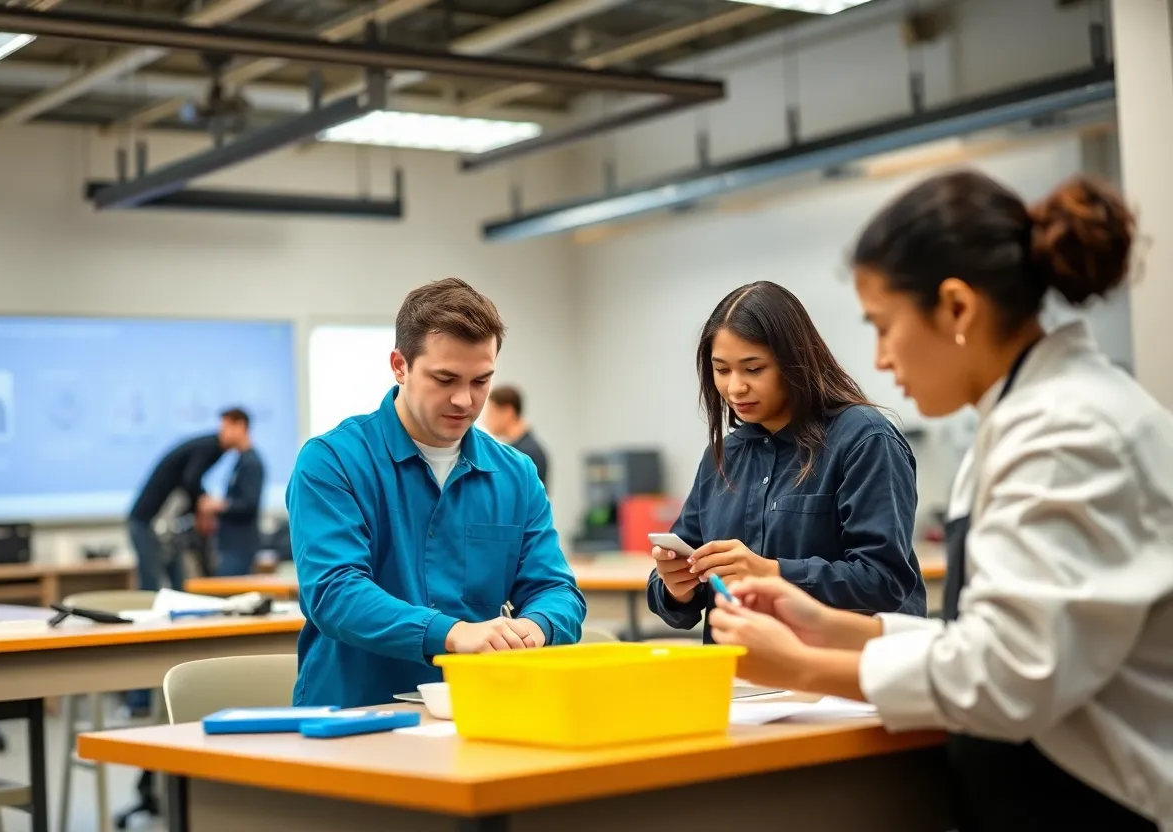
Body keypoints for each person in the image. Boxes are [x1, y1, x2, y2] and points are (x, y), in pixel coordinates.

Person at [709, 171, 1171, 830]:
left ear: (957, 309)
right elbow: (999, 635)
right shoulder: (1028, 418)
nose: (881, 358)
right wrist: (838, 627)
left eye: (885, 326)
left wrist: (807, 667)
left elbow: (1010, 674)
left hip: (1096, 800)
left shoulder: (1068, 433)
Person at [286, 277, 586, 709]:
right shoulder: (331, 461)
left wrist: (537, 626)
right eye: (444, 379)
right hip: (353, 716)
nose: (464, 400)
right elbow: (334, 593)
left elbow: (555, 588)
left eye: (481, 381)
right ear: (399, 365)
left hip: (476, 712)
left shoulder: (515, 474)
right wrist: (450, 633)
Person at [647, 281, 926, 641]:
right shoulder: (724, 456)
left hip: (840, 678)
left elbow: (884, 580)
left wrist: (772, 573)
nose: (735, 388)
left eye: (754, 369)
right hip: (745, 678)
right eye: (722, 370)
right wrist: (676, 587)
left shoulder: (864, 439)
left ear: (795, 362)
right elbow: (677, 579)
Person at [126, 408, 252, 591]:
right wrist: (204, 506)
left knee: (178, 581)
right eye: (223, 426)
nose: (223, 431)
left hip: (163, 524)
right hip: (146, 521)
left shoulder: (214, 449)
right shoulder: (210, 447)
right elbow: (190, 479)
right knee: (151, 582)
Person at [198, 408, 266, 577]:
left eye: (226, 427)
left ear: (240, 426)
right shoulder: (239, 461)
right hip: (228, 545)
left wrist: (218, 506)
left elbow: (249, 504)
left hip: (240, 547)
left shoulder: (252, 463)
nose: (222, 434)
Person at [483, 385, 550, 490]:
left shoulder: (527, 453)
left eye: (491, 412)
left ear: (508, 412)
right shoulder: (516, 449)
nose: (486, 420)